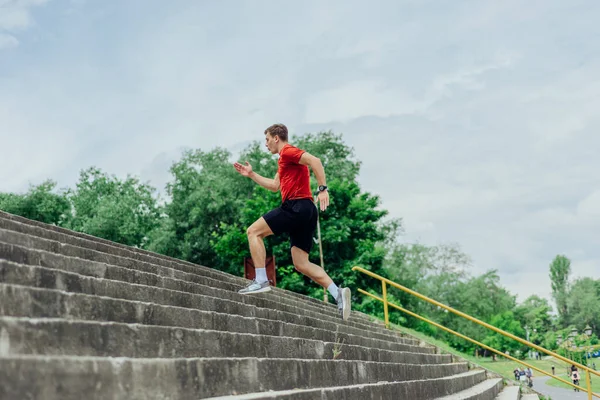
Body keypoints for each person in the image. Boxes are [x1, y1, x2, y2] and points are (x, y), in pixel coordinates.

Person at [233, 123, 351, 320]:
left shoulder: (287, 151)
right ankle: (337, 293)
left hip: (296, 206)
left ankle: (261, 280)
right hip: (307, 211)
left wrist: (323, 189)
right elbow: (274, 186)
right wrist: (251, 174)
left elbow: (316, 161)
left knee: (253, 232)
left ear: (276, 138)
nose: (266, 144)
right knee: (301, 262)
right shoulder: (285, 160)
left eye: (267, 139)